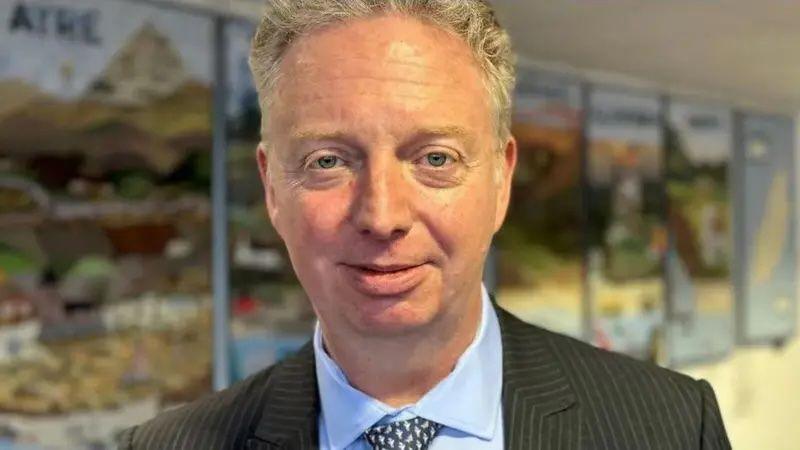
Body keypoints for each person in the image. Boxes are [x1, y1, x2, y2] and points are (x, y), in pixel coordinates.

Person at [118, 1, 731, 449]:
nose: (382, 216)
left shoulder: (672, 426)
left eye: (435, 158)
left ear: (501, 179)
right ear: (272, 187)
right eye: (328, 161)